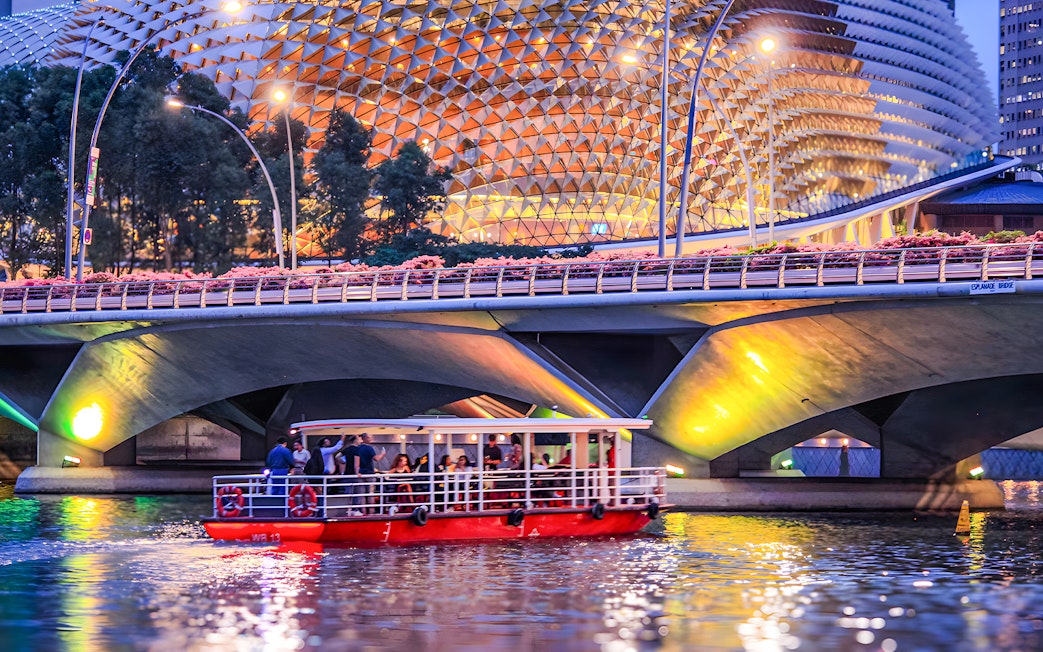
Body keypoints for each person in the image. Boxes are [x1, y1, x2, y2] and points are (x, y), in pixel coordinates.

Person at [354, 433, 387, 512]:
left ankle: (363, 511)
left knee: (361, 494)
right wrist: (383, 453)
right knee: (370, 493)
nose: (371, 439)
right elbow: (377, 458)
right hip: (369, 473)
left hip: (360, 473)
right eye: (369, 437)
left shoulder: (357, 448)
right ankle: (371, 511)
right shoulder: (369, 448)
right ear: (365, 438)